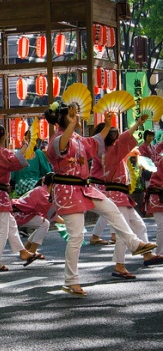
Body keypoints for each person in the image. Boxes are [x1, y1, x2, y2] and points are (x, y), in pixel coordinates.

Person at [45, 102, 156, 297]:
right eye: (73, 115)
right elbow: (61, 146)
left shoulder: (78, 138)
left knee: (111, 209)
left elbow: (95, 142)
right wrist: (71, 125)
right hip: (67, 190)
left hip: (83, 187)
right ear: (65, 119)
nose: (77, 117)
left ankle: (134, 243)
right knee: (77, 236)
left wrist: (106, 125)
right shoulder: (56, 139)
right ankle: (71, 281)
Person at [94, 116, 163, 275]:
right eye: (113, 132)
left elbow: (124, 142)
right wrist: (137, 123)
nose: (117, 135)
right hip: (118, 195)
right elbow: (125, 138)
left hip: (120, 195)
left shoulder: (110, 151)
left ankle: (147, 255)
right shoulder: (111, 151)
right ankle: (119, 265)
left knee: (139, 226)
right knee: (123, 232)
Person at [0, 123, 39, 272]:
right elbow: (16, 162)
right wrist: (24, 146)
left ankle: (23, 252)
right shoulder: (3, 153)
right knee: (2, 229)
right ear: (4, 136)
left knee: (11, 224)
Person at [12, 174, 64, 258]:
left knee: (42, 223)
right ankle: (32, 251)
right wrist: (66, 223)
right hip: (20, 214)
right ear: (54, 185)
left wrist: (65, 223)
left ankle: (27, 247)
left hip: (19, 213)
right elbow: (51, 214)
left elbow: (50, 214)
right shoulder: (43, 193)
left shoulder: (41, 190)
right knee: (44, 224)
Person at [11, 130, 52, 197]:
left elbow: (13, 177)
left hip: (19, 189)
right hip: (34, 188)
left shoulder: (18, 153)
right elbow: (47, 172)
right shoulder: (38, 153)